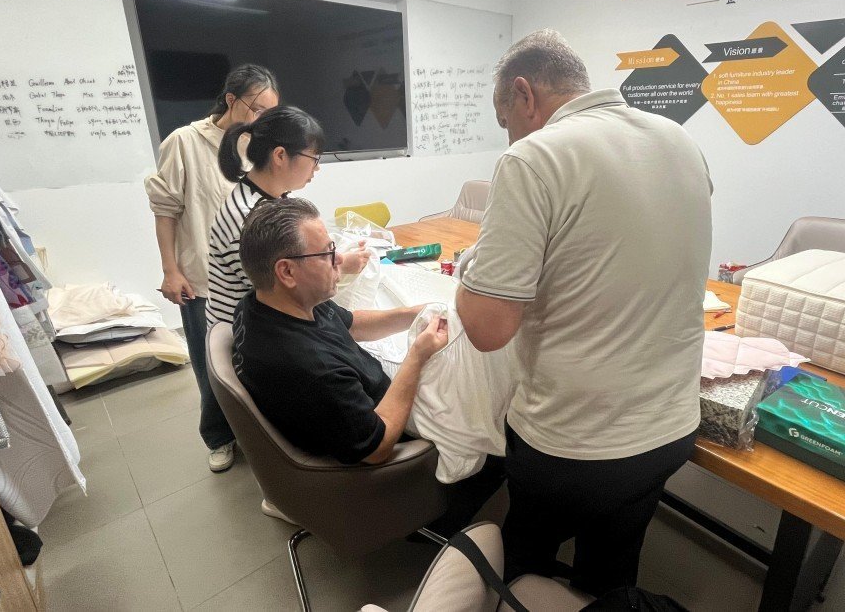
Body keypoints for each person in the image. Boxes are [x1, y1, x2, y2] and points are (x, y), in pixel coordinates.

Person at [455, 29, 713, 596]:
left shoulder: (533, 156)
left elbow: (487, 329)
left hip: (575, 442)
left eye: (506, 120)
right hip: (669, 426)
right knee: (613, 563)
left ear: (523, 94)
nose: (511, 134)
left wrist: (469, 268)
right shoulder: (678, 140)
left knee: (525, 563)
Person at [231, 197, 504, 536]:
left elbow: (351, 323)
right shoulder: (309, 369)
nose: (339, 262)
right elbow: (378, 448)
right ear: (286, 271)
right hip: (380, 453)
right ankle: (447, 516)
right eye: (328, 254)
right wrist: (417, 355)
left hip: (359, 406)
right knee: (502, 422)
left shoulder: (266, 304)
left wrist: (417, 312)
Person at [145, 64, 280, 473]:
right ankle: (219, 436)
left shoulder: (256, 147)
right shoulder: (184, 142)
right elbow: (166, 211)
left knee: (256, 359)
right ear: (231, 100)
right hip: (204, 279)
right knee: (211, 365)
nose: (261, 121)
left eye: (269, 114)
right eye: (256, 110)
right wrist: (171, 271)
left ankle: (263, 433)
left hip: (254, 277)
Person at [206, 105, 369, 328]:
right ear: (280, 155)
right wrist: (340, 266)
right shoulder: (248, 218)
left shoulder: (268, 198)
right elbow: (283, 291)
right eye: (314, 158)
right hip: (247, 334)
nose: (317, 168)